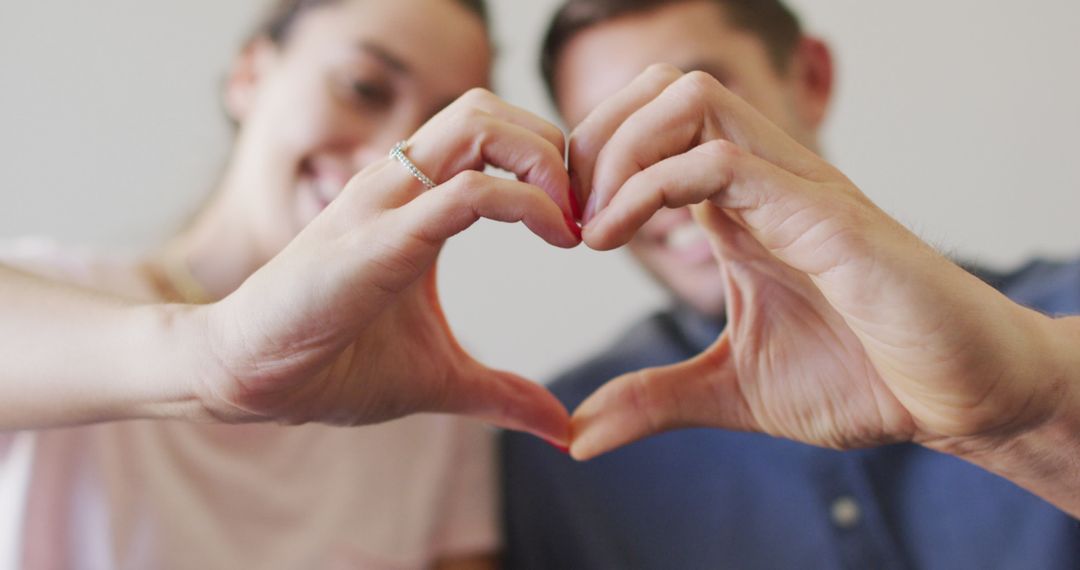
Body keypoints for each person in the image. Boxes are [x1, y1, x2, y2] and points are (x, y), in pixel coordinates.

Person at [0, 0, 582, 567]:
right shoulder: (55, 302)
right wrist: (216, 357)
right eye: (364, 88)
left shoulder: (431, 404)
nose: (392, 154)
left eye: (438, 127)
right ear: (250, 74)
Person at [501, 1, 1080, 568]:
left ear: (810, 79)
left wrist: (1028, 413)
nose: (657, 168)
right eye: (609, 135)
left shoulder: (1063, 329)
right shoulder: (563, 440)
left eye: (685, 105)